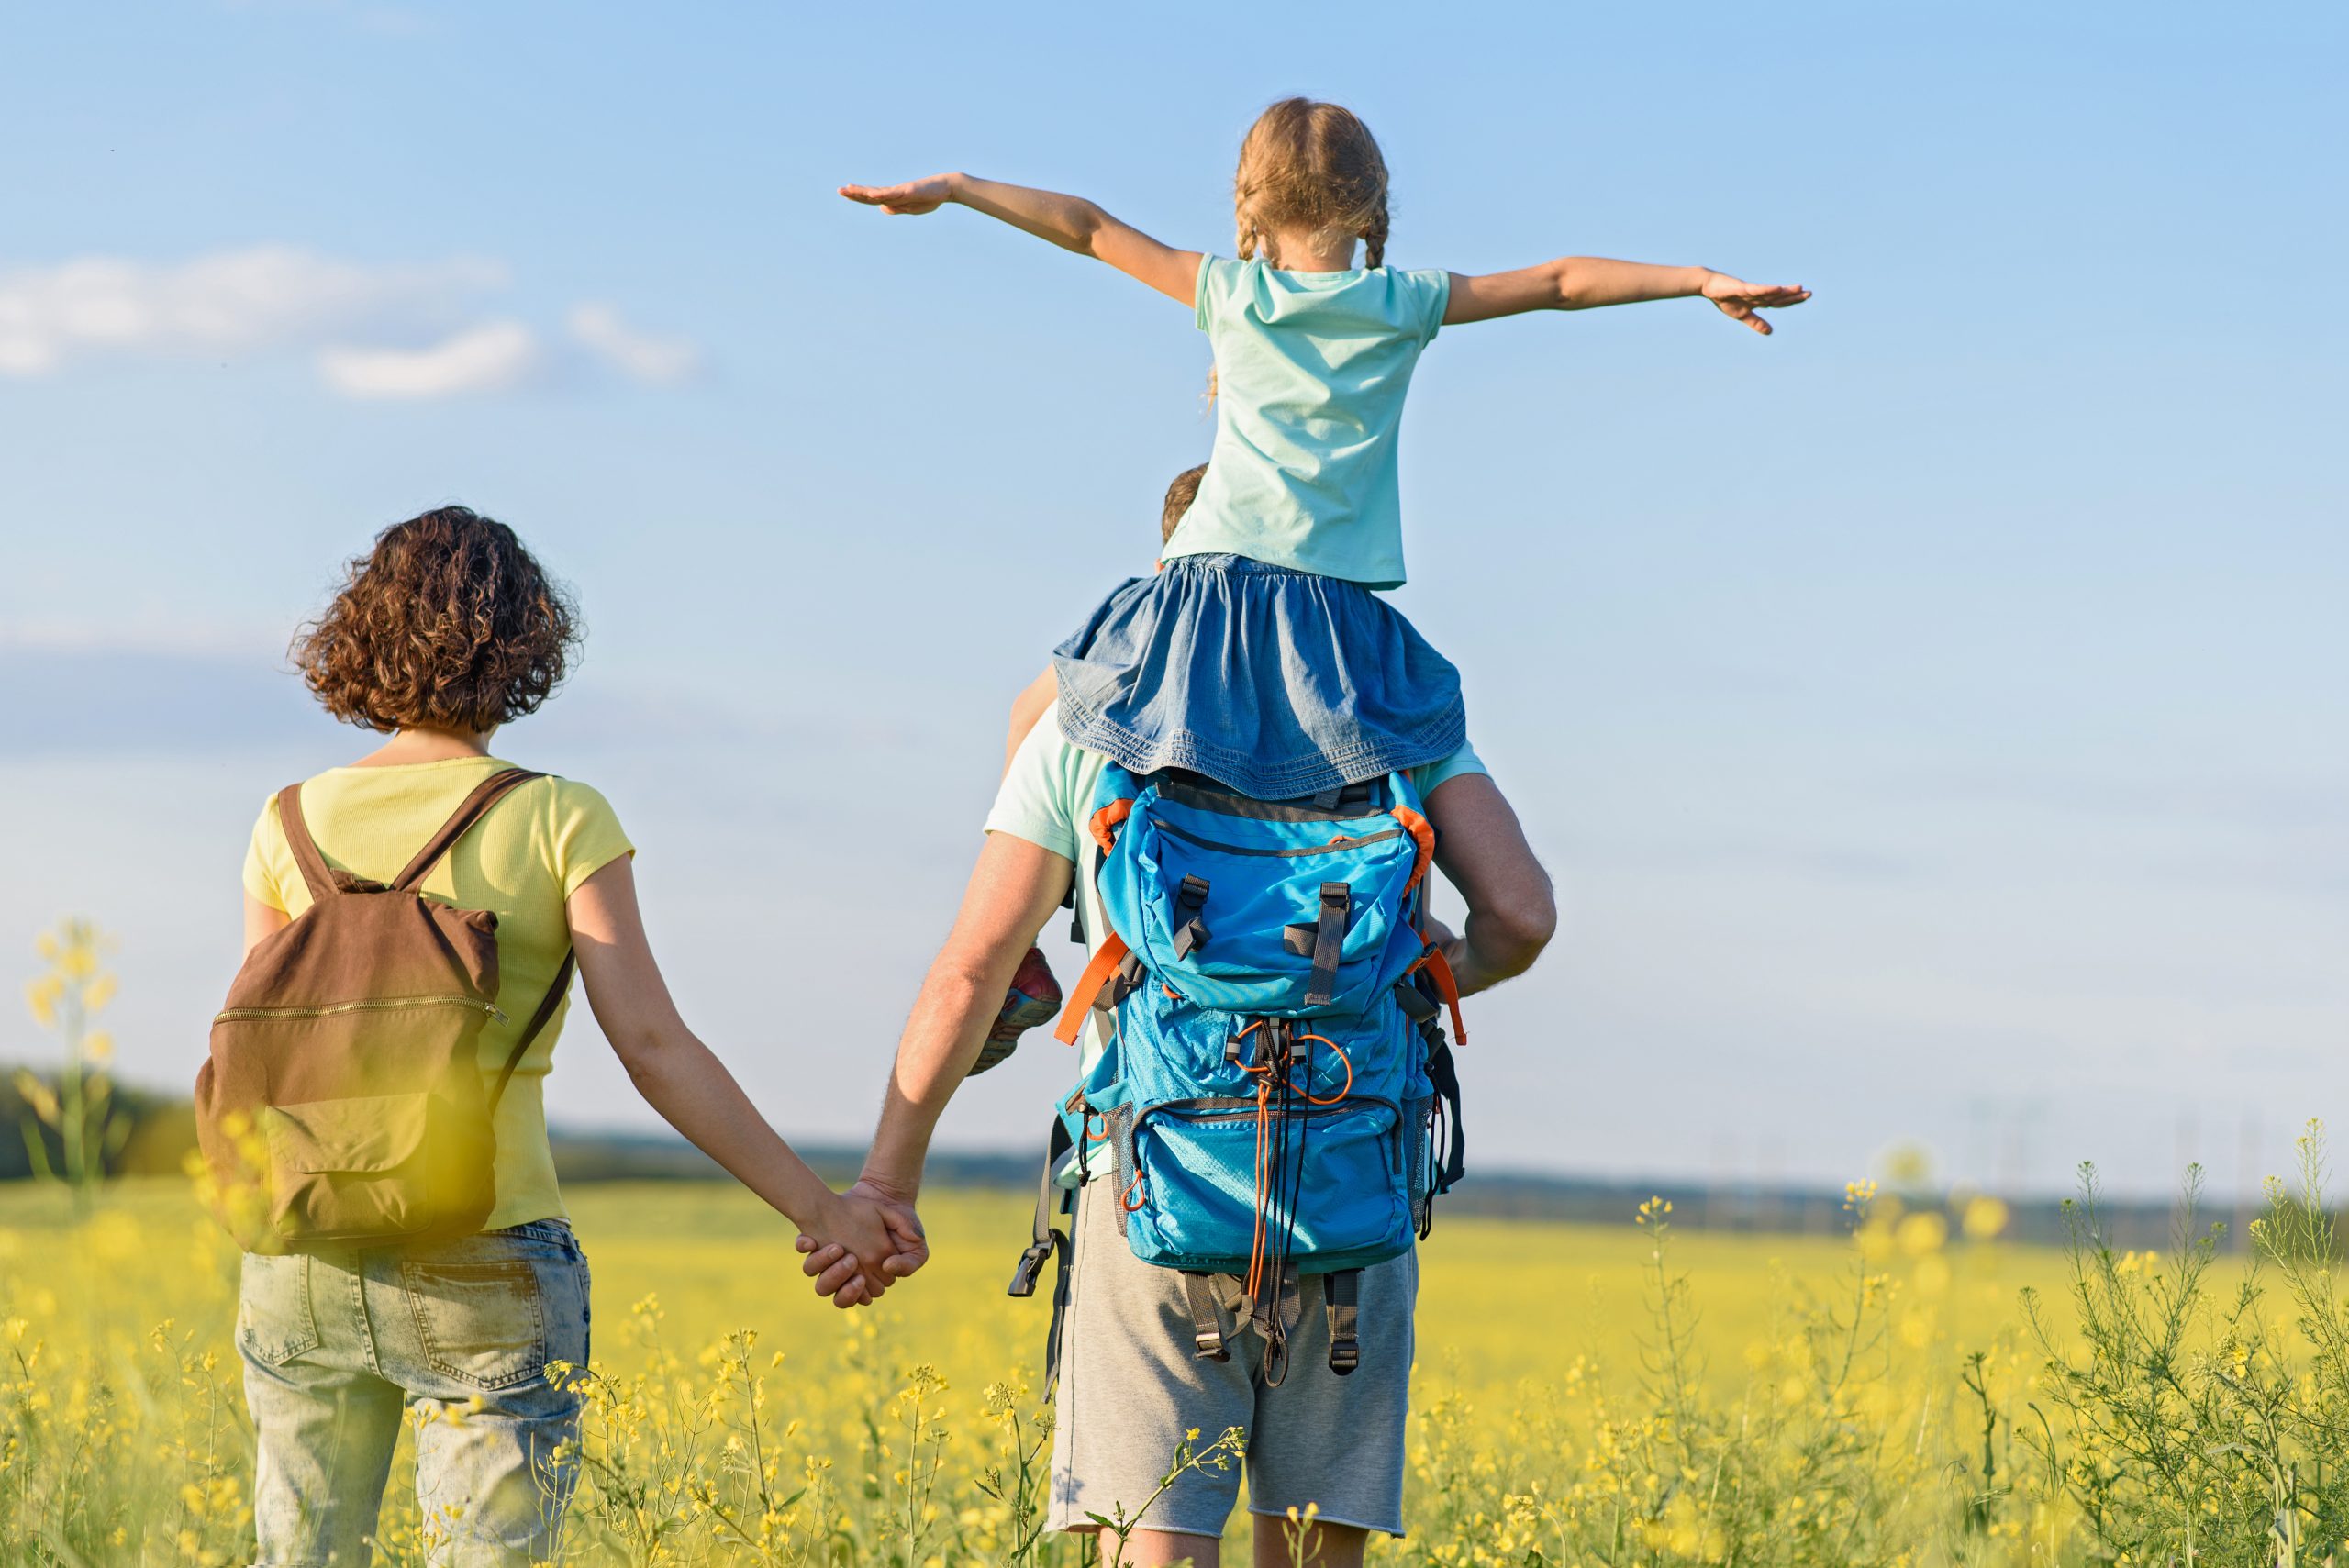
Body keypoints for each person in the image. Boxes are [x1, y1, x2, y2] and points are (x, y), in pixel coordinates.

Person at [800, 470, 1558, 1565]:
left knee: (1150, 1539)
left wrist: (883, 1185)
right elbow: (1523, 914)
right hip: (1351, 1172)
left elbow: (967, 972)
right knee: (1310, 1550)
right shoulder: (1394, 710)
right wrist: (1407, 979)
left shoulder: (1087, 724)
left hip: (1153, 1176)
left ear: (1166, 581)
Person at [231, 506, 918, 1565]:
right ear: (519, 643)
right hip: (486, 1245)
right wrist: (824, 1208)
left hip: (299, 1247)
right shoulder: (559, 816)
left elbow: (258, 1053)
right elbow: (652, 1045)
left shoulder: (285, 821)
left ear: (361, 633)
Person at [841, 96, 1809, 807]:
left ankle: (1020, 949)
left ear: (1249, 201)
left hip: (1206, 589)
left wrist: (960, 188)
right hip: (1337, 614)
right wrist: (1695, 278)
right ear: (1372, 203)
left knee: (1037, 715)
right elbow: (1560, 280)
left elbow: (1088, 227)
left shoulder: (1230, 291)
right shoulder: (1403, 302)